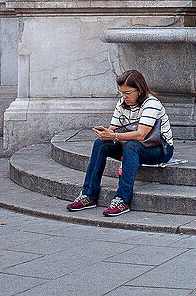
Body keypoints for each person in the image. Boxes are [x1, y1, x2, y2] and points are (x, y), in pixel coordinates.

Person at [66, 69, 174, 217]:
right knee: (100, 144)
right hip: (133, 146)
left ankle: (122, 199)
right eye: (122, 93)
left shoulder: (152, 103)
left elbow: (141, 134)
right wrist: (105, 134)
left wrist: (114, 135)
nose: (124, 97)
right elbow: (112, 129)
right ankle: (88, 195)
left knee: (131, 146)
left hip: (160, 149)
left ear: (140, 90)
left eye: (128, 93)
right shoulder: (122, 103)